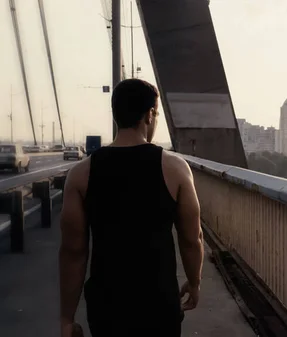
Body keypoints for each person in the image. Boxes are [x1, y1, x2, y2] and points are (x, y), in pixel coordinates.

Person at [59, 79, 204, 337]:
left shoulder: (81, 174)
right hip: (159, 302)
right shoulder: (175, 168)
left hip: (107, 304)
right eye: (156, 114)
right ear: (149, 115)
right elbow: (192, 239)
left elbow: (73, 251)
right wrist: (194, 282)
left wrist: (67, 318)